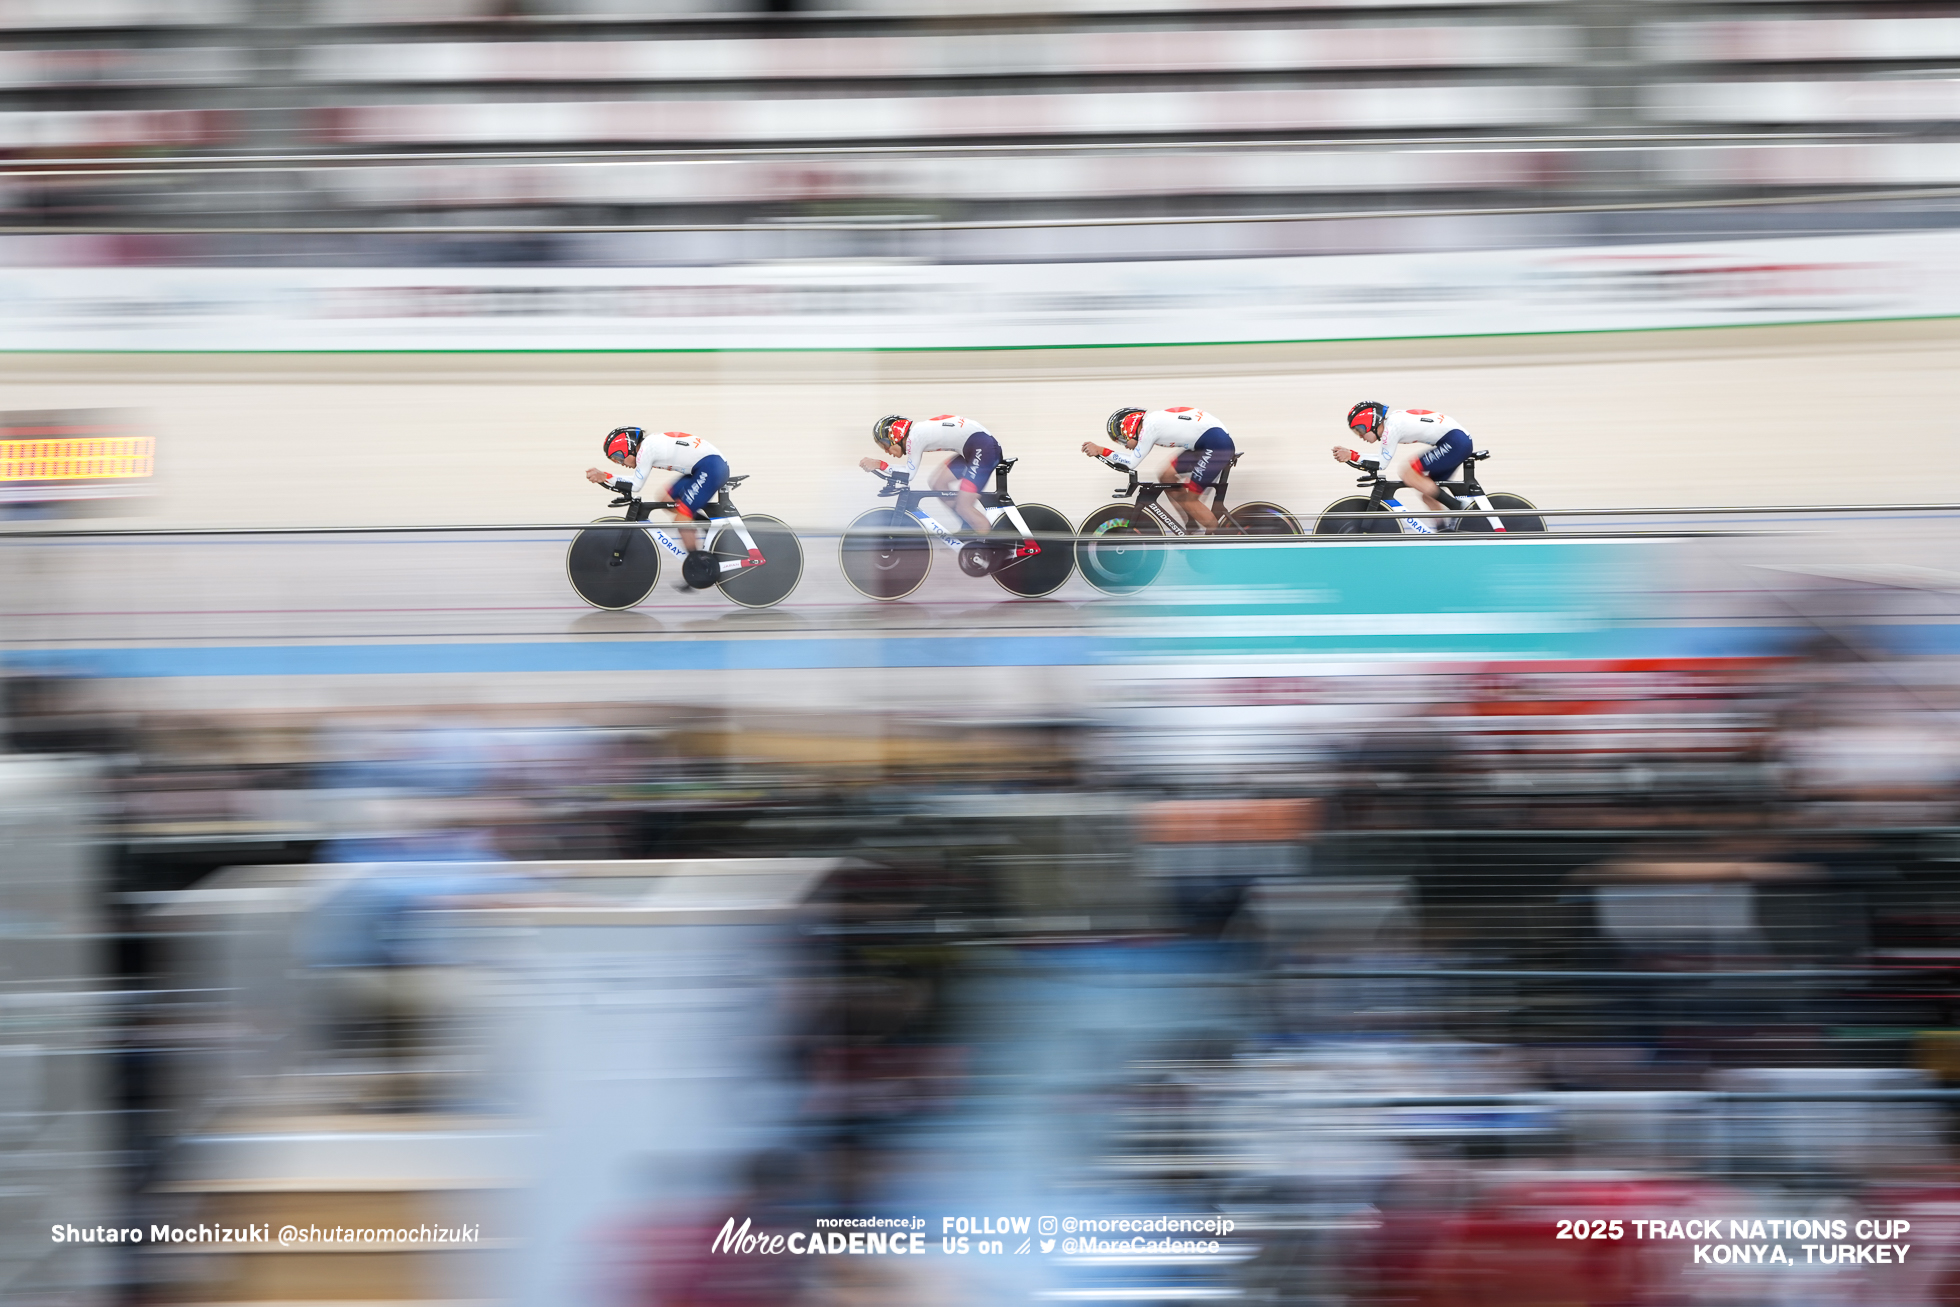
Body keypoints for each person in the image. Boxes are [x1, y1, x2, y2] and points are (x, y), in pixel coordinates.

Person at [584, 426, 729, 586]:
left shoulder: (647, 449)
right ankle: (705, 527)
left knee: (681, 519)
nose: (619, 463)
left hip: (711, 467)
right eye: (614, 461)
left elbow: (635, 485)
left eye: (618, 457)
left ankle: (699, 566)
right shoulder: (649, 445)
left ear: (629, 447)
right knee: (665, 499)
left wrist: (605, 476)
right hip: (705, 466)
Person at [860, 413, 1023, 549]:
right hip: (974, 447)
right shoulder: (916, 434)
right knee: (938, 484)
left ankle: (992, 552)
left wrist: (880, 465)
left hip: (983, 448)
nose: (886, 451)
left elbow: (908, 474)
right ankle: (969, 526)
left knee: (964, 505)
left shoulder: (914, 437)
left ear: (895, 436)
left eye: (885, 445)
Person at [1080, 406, 1232, 533]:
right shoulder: (1152, 422)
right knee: (1166, 476)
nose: (1124, 445)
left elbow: (1131, 463)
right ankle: (1192, 522)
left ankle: (1213, 535)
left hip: (1216, 445)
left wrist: (1101, 450)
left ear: (1129, 428)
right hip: (1208, 441)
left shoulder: (1150, 428)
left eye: (1122, 440)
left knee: (1190, 500)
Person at [1333, 403, 1472, 530]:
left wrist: (1352, 455)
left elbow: (1382, 463)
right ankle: (1444, 531)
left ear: (1371, 423)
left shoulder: (1391, 428)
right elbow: (1382, 458)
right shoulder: (1392, 423)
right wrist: (1353, 455)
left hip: (1456, 442)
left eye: (1360, 429)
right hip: (1456, 441)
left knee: (1408, 473)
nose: (1360, 435)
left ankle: (1457, 506)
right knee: (1428, 495)